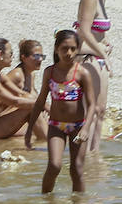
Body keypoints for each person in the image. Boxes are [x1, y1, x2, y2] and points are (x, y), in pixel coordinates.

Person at [25, 30, 97, 192]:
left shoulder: (82, 73)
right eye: (64, 48)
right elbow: (40, 101)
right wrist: (30, 130)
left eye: (73, 48)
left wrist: (86, 129)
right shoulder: (50, 72)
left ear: (78, 49)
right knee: (54, 165)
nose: (69, 53)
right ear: (57, 49)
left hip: (78, 127)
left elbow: (92, 104)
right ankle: (46, 203)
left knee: (76, 168)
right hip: (56, 126)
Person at [75, 0, 122, 152]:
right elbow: (84, 31)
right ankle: (84, 153)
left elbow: (99, 29)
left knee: (101, 109)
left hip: (98, 54)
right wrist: (102, 51)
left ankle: (95, 153)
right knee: (91, 110)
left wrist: (106, 41)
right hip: (86, 55)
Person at [2, 39, 47, 139]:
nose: (40, 59)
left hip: (18, 118)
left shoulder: (31, 75)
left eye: (42, 56)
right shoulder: (16, 75)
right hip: (2, 121)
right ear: (23, 57)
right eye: (36, 56)